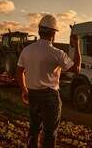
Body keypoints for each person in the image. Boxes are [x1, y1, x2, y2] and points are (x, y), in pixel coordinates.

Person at [17, 14, 81, 148]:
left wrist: (24, 90)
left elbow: (19, 71)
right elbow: (76, 69)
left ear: (39, 31)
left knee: (34, 129)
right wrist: (77, 46)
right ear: (53, 33)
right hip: (50, 96)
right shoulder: (57, 53)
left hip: (33, 94)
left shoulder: (26, 51)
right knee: (50, 133)